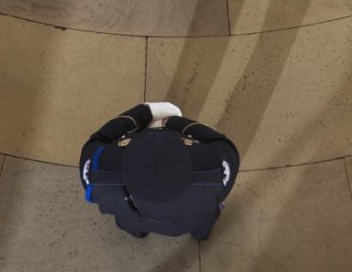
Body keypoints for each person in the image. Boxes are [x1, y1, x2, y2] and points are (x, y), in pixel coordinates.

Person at [79, 97, 240, 240]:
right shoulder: (215, 174)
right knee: (202, 225)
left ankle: (139, 234)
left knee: (132, 224)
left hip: (133, 217)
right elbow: (223, 145)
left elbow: (98, 140)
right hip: (192, 217)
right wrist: (173, 122)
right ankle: (200, 235)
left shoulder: (99, 177)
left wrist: (143, 112)